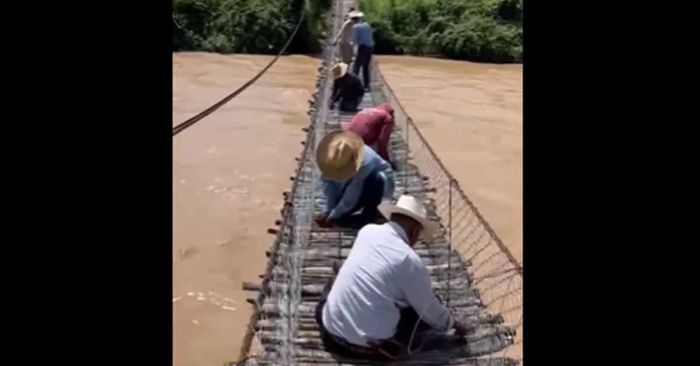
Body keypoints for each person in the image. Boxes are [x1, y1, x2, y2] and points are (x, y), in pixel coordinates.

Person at [315, 195, 468, 360]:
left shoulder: (367, 231)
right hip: (365, 349)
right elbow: (429, 310)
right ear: (414, 230)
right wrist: (453, 323)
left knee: (339, 274)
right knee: (419, 315)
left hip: (330, 333)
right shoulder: (408, 260)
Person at [315, 131, 395, 229]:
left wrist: (334, 214)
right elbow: (329, 187)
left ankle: (371, 215)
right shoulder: (329, 158)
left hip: (377, 188)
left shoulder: (365, 161)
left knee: (376, 178)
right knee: (339, 215)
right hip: (351, 185)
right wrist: (330, 210)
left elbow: (353, 193)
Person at [350, 11, 374, 90]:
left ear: (353, 20)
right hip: (370, 47)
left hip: (363, 47)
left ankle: (354, 85)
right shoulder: (367, 25)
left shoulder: (355, 27)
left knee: (356, 67)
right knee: (366, 67)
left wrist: (352, 51)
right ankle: (367, 85)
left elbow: (355, 41)